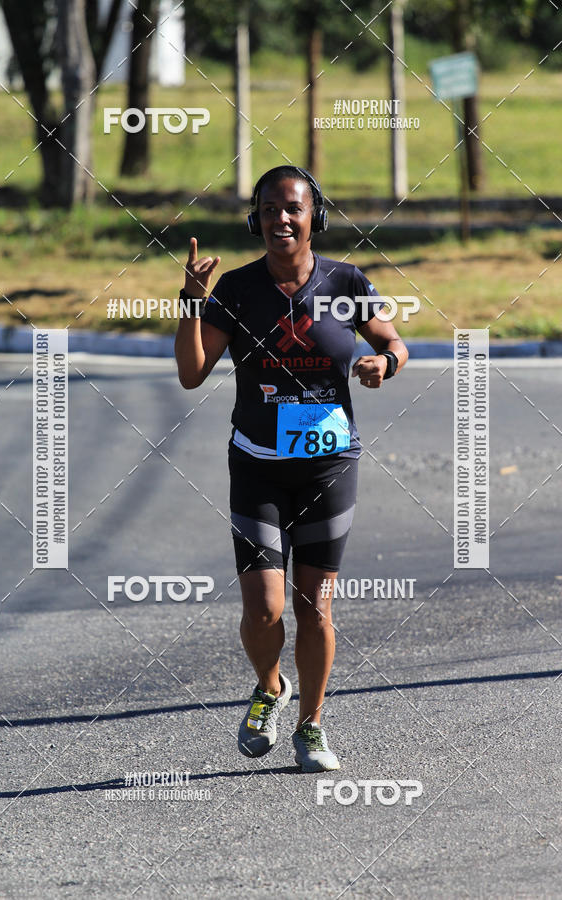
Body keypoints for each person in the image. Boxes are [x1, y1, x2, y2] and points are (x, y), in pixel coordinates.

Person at [174, 165, 408, 772]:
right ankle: (271, 687)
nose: (282, 218)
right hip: (257, 464)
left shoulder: (345, 280)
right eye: (270, 208)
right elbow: (192, 372)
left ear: (315, 219)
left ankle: (312, 724)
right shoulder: (238, 289)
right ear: (255, 220)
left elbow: (395, 341)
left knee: (315, 606)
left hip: (330, 467)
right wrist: (192, 307)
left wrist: (386, 362)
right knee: (264, 610)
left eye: (294, 208)